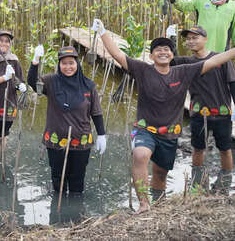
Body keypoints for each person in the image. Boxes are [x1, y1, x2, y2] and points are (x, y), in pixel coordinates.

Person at [93, 18, 235, 213]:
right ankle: (144, 203)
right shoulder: (143, 70)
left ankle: (158, 205)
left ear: (171, 55)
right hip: (145, 130)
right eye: (158, 49)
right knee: (140, 155)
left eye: (167, 49)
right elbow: (117, 54)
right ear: (151, 56)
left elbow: (213, 61)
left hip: (170, 135)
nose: (163, 52)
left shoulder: (184, 72)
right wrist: (103, 32)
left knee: (160, 175)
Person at [26, 45, 106, 195]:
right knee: (58, 180)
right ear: (59, 65)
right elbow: (32, 82)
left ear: (77, 64)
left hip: (81, 142)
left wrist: (101, 134)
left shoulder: (88, 86)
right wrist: (35, 60)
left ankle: (76, 215)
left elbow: (96, 112)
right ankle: (58, 216)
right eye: (64, 63)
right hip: (56, 142)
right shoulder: (50, 81)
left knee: (77, 181)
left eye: (71, 63)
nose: (68, 67)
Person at [172, 26, 235, 191]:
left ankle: (225, 183)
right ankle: (197, 184)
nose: (191, 41)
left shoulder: (222, 59)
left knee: (225, 149)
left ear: (205, 39)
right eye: (188, 39)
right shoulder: (186, 62)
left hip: (222, 114)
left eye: (195, 37)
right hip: (198, 115)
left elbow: (233, 85)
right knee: (198, 149)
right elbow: (170, 61)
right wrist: (170, 38)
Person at [164, 0, 235, 52]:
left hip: (221, 50)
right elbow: (183, 6)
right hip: (201, 50)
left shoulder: (233, 6)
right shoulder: (200, 1)